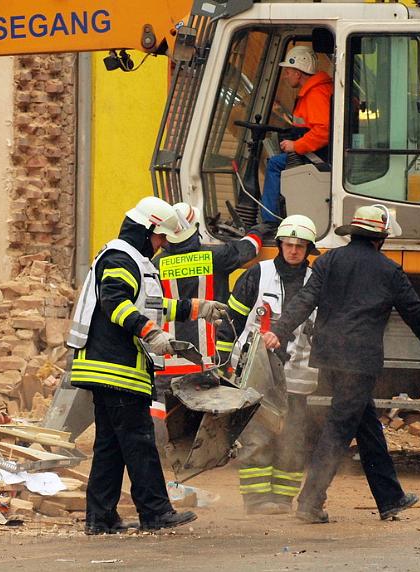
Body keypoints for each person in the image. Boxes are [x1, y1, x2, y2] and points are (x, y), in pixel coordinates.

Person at [262, 205, 420, 523]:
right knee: (338, 429)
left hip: (329, 357)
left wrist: (279, 331)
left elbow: (304, 299)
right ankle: (310, 502)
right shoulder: (389, 271)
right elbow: (416, 313)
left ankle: (390, 498)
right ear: (380, 239)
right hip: (359, 362)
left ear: (353, 233)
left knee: (367, 427)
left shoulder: (329, 261)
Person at [66, 196, 227, 534]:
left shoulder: (132, 259)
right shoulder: (120, 257)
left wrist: (198, 308)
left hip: (108, 366)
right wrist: (151, 333)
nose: (162, 245)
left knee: (110, 446)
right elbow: (115, 302)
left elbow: (152, 303)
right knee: (139, 441)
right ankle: (155, 512)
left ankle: (101, 517)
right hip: (116, 367)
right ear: (147, 229)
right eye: (160, 238)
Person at [215, 215, 319, 515]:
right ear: (280, 244)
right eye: (289, 244)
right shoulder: (257, 274)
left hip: (298, 374)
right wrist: (222, 367)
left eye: (301, 246)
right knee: (256, 438)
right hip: (254, 372)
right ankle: (257, 500)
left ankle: (284, 500)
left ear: (308, 249)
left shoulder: (316, 281)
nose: (294, 251)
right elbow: (230, 323)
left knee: (293, 439)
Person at [152, 202, 264, 377]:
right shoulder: (216, 257)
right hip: (210, 362)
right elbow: (249, 249)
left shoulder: (155, 265)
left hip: (169, 364)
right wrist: (257, 231)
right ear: (196, 227)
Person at [261, 45, 334, 226]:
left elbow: (324, 130)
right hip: (320, 153)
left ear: (298, 73)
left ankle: (269, 221)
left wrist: (296, 146)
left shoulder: (315, 94)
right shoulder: (318, 90)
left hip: (318, 157)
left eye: (288, 71)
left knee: (274, 165)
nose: (285, 76)